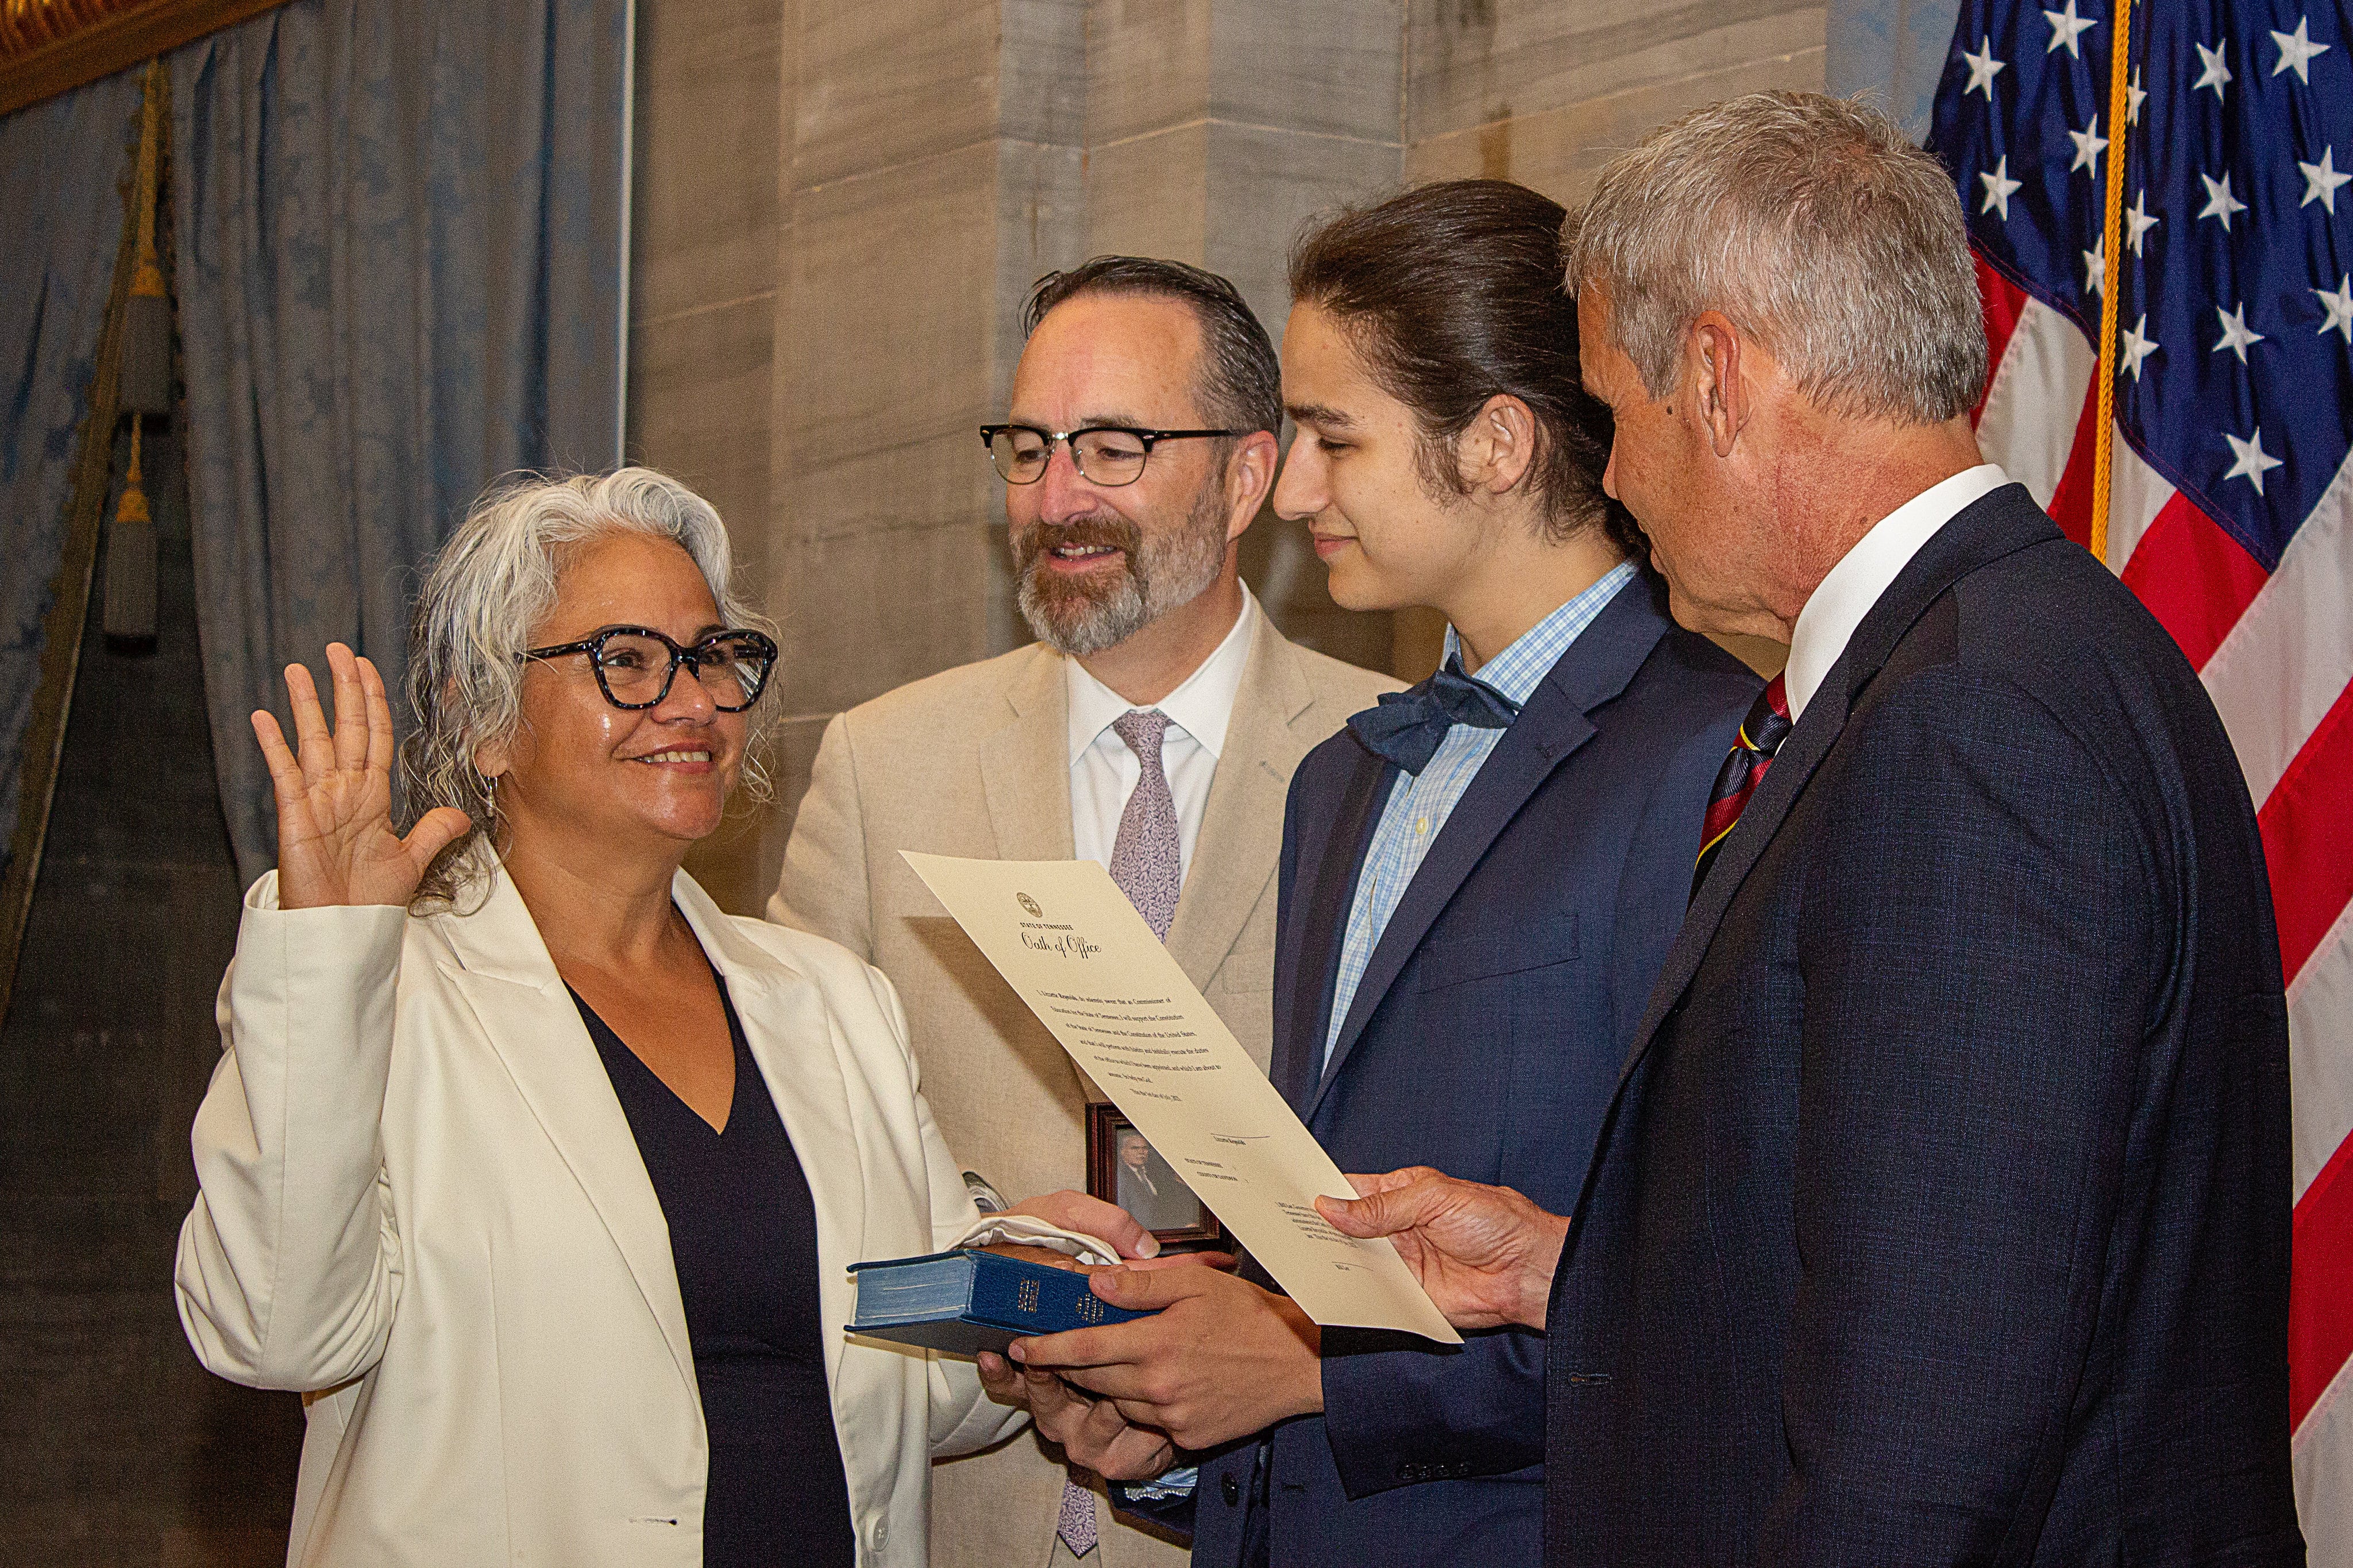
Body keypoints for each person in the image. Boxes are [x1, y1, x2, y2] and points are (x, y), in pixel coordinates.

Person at [1319, 93, 2304, 1564]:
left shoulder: (1967, 721)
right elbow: (1928, 1253)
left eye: (1615, 412)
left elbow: (1926, 1433)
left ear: (1715, 379)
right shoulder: (2014, 650)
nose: (1616, 477)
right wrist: (1569, 1274)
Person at [173, 470, 1150, 1568]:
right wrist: (331, 950)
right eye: (626, 660)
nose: (692, 702)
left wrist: (1018, 1280)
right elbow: (273, 1329)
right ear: (485, 719)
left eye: (713, 656)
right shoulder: (380, 999)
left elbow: (914, 1393)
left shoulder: (832, 1002)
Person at [989, 180, 1761, 1567]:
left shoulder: (1716, 754)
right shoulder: (1343, 774)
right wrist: (1177, 1401)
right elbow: (1327, 1243)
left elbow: (1722, 1300)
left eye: (1334, 439)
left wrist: (1304, 1377)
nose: (1291, 491)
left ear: (1498, 444)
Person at [769, 257, 1396, 1567]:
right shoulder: (884, 770)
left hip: (1275, 1518)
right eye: (1028, 448)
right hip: (968, 1512)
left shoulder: (1394, 762)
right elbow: (800, 1168)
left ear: (1248, 476)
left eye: (1114, 448)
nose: (1058, 499)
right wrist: (985, 1257)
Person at [1113, 1131, 1194, 1233]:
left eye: (1145, 1148)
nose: (1141, 1152)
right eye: (1135, 1148)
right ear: (1123, 1152)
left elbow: (1171, 1200)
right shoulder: (1120, 1176)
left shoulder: (1156, 1173)